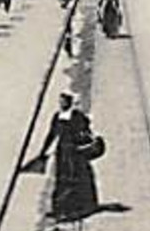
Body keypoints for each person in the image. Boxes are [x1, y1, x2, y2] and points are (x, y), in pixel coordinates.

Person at [33, 91, 100, 222]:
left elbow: (85, 133)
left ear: (69, 102)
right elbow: (51, 135)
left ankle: (77, 208)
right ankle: (60, 209)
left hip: (76, 153)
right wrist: (43, 152)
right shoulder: (57, 116)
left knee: (76, 178)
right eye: (60, 101)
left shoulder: (77, 117)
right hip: (62, 152)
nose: (61, 104)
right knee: (62, 179)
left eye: (64, 101)